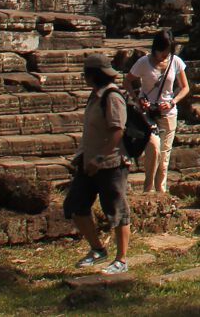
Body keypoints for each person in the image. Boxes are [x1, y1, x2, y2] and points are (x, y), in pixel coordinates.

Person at [65, 52, 131, 274]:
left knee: (117, 211)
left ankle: (121, 259)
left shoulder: (112, 97)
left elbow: (117, 131)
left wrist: (100, 158)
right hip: (89, 162)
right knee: (76, 205)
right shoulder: (95, 96)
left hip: (111, 163)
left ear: (93, 76)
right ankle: (97, 248)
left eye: (86, 74)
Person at [126, 31, 190, 193]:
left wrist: (172, 102)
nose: (164, 55)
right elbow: (127, 81)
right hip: (147, 114)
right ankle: (148, 189)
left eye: (167, 52)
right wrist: (137, 99)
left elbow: (184, 87)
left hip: (168, 113)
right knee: (154, 149)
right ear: (155, 48)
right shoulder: (143, 62)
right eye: (162, 51)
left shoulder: (176, 62)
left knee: (164, 156)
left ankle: (160, 190)